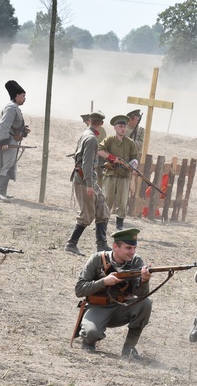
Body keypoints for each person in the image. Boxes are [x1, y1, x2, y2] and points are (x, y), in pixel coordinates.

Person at [74, 228, 152, 359]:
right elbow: (79, 290)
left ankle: (129, 348)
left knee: (145, 304)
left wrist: (144, 280)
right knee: (91, 333)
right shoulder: (97, 260)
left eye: (134, 248)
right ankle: (89, 342)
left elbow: (141, 294)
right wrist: (104, 281)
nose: (132, 252)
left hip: (122, 308)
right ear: (115, 246)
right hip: (98, 307)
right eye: (128, 248)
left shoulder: (136, 261)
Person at [65, 111, 112, 255]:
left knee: (102, 208)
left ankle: (102, 245)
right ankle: (71, 243)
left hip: (87, 178)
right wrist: (90, 185)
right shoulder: (91, 138)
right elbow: (86, 164)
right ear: (102, 123)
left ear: (89, 121)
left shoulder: (86, 135)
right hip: (85, 179)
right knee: (87, 213)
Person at [0, 80, 30, 202]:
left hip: (11, 140)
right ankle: (0, 192)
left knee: (9, 166)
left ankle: (1, 191)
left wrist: (24, 131)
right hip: (9, 141)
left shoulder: (15, 108)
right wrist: (4, 141)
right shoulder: (11, 108)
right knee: (7, 166)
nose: (24, 98)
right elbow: (4, 125)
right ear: (17, 96)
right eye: (23, 96)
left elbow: (15, 126)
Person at [101, 115, 139, 230]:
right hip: (110, 174)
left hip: (124, 176)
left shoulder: (130, 143)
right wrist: (113, 158)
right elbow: (99, 150)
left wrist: (133, 167)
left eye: (124, 126)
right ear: (115, 128)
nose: (123, 129)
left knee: (122, 201)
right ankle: (102, 224)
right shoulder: (109, 140)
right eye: (120, 126)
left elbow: (134, 158)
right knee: (108, 199)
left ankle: (119, 225)